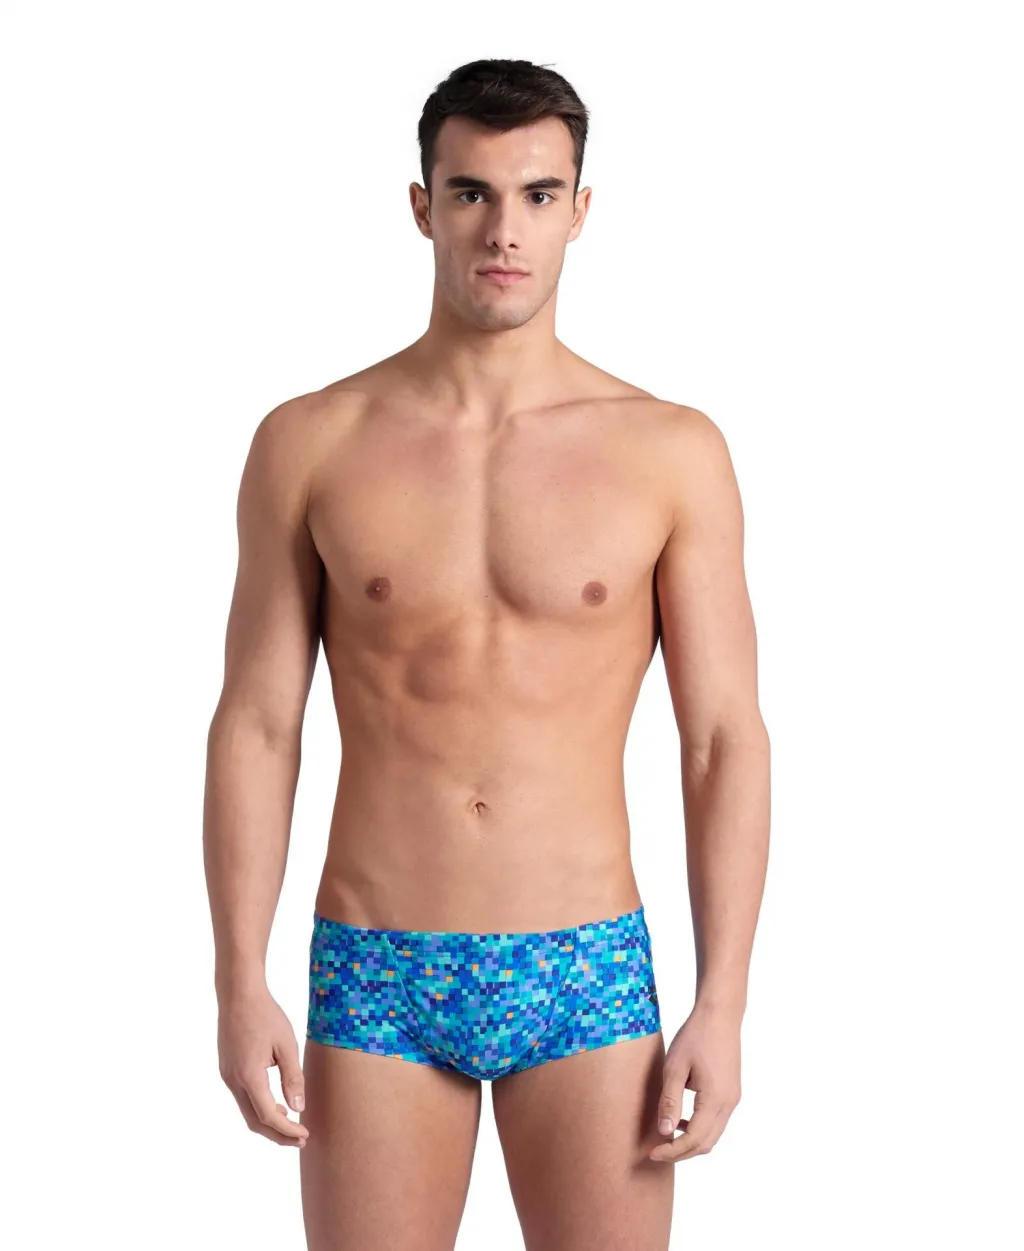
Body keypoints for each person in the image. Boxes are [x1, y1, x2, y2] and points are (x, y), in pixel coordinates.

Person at [203, 57, 771, 1251]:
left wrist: (722, 1002)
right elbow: (257, 722)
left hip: (584, 964)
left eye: (536, 195)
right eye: (470, 193)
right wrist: (237, 978)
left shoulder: (668, 452)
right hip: (378, 966)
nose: (503, 229)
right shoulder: (311, 442)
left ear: (579, 210)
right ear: (423, 206)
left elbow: (722, 738)